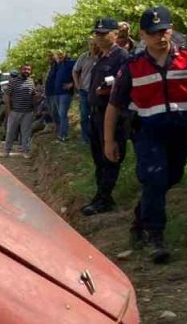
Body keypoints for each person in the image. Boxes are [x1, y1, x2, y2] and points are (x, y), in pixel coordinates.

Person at [104, 6, 187, 262]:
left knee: (171, 177)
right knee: (155, 178)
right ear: (142, 35)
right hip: (148, 133)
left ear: (171, 30)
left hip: (182, 132)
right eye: (153, 32)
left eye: (164, 31)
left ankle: (141, 217)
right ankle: (155, 236)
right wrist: (109, 140)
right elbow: (114, 105)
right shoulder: (132, 67)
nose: (160, 36)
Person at [81, 18, 130, 216]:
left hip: (111, 115)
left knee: (110, 157)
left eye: (104, 33)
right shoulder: (102, 57)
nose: (99, 37)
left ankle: (103, 198)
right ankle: (102, 196)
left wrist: (108, 91)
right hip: (96, 114)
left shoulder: (122, 57)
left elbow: (125, 87)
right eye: (97, 34)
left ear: (115, 34)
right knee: (98, 158)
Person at [3, 64, 38, 157]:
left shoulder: (31, 81)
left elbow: (33, 95)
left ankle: (25, 151)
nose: (26, 71)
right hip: (15, 111)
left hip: (28, 112)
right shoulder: (13, 81)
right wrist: (8, 110)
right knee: (10, 132)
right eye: (24, 69)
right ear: (20, 70)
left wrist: (35, 108)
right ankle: (6, 151)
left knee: (26, 133)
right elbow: (7, 95)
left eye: (28, 69)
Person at [72, 36, 98, 144]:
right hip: (84, 91)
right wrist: (77, 85)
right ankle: (85, 137)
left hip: (97, 92)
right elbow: (75, 71)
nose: (93, 46)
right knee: (84, 116)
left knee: (95, 116)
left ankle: (94, 137)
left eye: (95, 44)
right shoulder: (83, 57)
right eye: (91, 44)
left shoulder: (102, 56)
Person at [49, 50, 76, 142]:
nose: (59, 56)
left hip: (65, 93)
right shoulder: (58, 65)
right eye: (58, 55)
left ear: (65, 54)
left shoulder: (71, 63)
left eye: (61, 54)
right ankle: (60, 133)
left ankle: (63, 135)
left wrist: (72, 84)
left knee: (62, 113)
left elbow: (79, 72)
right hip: (56, 93)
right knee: (58, 114)